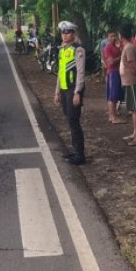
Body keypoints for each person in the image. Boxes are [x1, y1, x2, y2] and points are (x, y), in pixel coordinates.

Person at [53, 20, 87, 165]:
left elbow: (80, 73)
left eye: (67, 33)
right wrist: (57, 92)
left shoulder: (78, 50)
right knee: (70, 121)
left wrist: (77, 92)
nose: (64, 35)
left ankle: (80, 155)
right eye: (63, 33)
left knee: (74, 121)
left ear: (73, 34)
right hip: (65, 90)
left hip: (74, 89)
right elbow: (60, 73)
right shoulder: (62, 50)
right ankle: (75, 151)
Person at [120, 23, 136, 146]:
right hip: (128, 81)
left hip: (132, 81)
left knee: (135, 109)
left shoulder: (129, 47)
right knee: (133, 109)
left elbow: (134, 65)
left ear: (121, 36)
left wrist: (134, 72)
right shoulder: (128, 46)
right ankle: (135, 133)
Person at [102, 30, 126, 124]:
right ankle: (113, 116)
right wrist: (121, 56)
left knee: (113, 95)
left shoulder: (115, 47)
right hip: (113, 72)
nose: (113, 38)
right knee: (113, 96)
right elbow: (111, 61)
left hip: (116, 72)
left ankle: (113, 114)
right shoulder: (108, 48)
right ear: (108, 37)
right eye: (111, 36)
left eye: (114, 36)